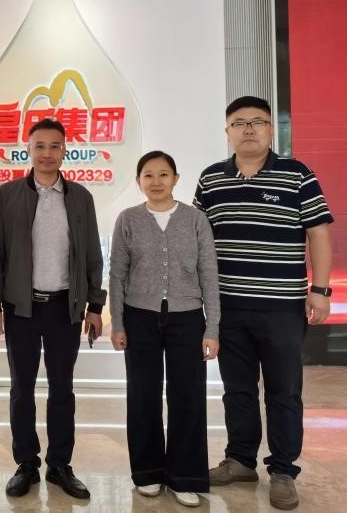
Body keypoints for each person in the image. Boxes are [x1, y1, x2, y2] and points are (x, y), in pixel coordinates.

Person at [195, 96, 333, 511]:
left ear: (272, 129)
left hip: (282, 307)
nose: (249, 129)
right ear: (227, 132)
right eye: (239, 123)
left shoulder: (298, 175)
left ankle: (284, 470)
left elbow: (319, 233)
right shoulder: (211, 179)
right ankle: (240, 460)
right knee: (236, 390)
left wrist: (320, 289)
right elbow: (196, 239)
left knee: (283, 391)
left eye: (258, 121)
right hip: (228, 307)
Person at [0, 118, 105, 500]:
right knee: (21, 389)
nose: (47, 153)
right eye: (39, 146)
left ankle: (59, 465)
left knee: (62, 389)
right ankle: (26, 464)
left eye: (55, 146)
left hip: (64, 309)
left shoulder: (80, 197)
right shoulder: (7, 195)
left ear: (64, 150)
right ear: (28, 149)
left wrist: (95, 306)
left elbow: (92, 254)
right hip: (21, 309)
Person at [109, 150, 220, 508]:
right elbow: (117, 274)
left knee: (188, 396)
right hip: (139, 316)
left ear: (175, 179)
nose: (156, 182)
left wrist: (212, 328)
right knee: (143, 394)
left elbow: (209, 274)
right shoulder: (128, 220)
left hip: (188, 318)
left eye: (163, 174)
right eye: (148, 175)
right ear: (138, 181)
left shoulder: (195, 220)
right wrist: (118, 322)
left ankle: (185, 476)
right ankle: (147, 472)